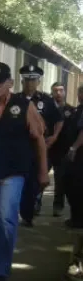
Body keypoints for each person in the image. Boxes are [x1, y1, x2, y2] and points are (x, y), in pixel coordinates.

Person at [0, 63, 48, 281]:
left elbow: (39, 139)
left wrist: (43, 171)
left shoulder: (24, 105)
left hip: (13, 172)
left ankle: (0, 271)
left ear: (10, 83)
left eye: (1, 82)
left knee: (6, 218)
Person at [18, 64, 62, 225]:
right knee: (20, 180)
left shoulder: (46, 100)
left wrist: (55, 136)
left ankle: (29, 212)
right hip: (20, 148)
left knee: (35, 182)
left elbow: (59, 120)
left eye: (33, 80)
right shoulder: (15, 99)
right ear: (22, 81)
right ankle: (24, 210)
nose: (30, 83)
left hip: (40, 148)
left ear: (38, 82)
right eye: (27, 80)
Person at [49, 81, 77, 216]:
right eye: (55, 90)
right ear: (52, 92)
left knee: (60, 180)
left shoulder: (71, 110)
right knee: (38, 178)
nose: (58, 93)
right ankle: (34, 205)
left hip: (61, 151)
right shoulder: (47, 108)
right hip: (46, 148)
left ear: (65, 92)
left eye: (61, 90)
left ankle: (58, 206)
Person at [64, 85, 83, 228]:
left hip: (80, 155)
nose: (80, 95)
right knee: (71, 186)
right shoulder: (78, 109)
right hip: (76, 155)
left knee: (76, 187)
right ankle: (76, 217)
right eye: (80, 93)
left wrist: (74, 147)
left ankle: (78, 220)